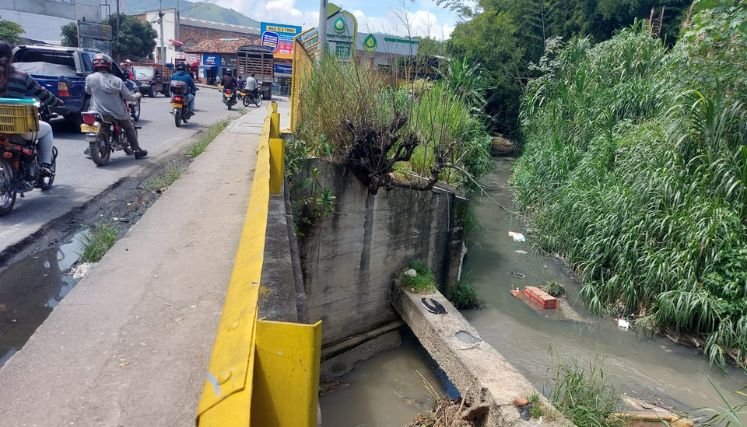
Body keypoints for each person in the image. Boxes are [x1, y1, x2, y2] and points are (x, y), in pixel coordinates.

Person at [0, 41, 63, 176]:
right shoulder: (22, 76)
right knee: (47, 130)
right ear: (11, 57)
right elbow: (43, 94)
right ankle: (46, 165)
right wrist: (57, 102)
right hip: (19, 127)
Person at [85, 53, 147, 159]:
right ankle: (137, 150)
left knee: (93, 127)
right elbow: (129, 97)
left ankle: (91, 148)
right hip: (117, 113)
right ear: (109, 66)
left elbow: (88, 91)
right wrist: (138, 95)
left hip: (98, 112)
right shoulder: (117, 80)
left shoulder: (90, 78)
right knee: (129, 127)